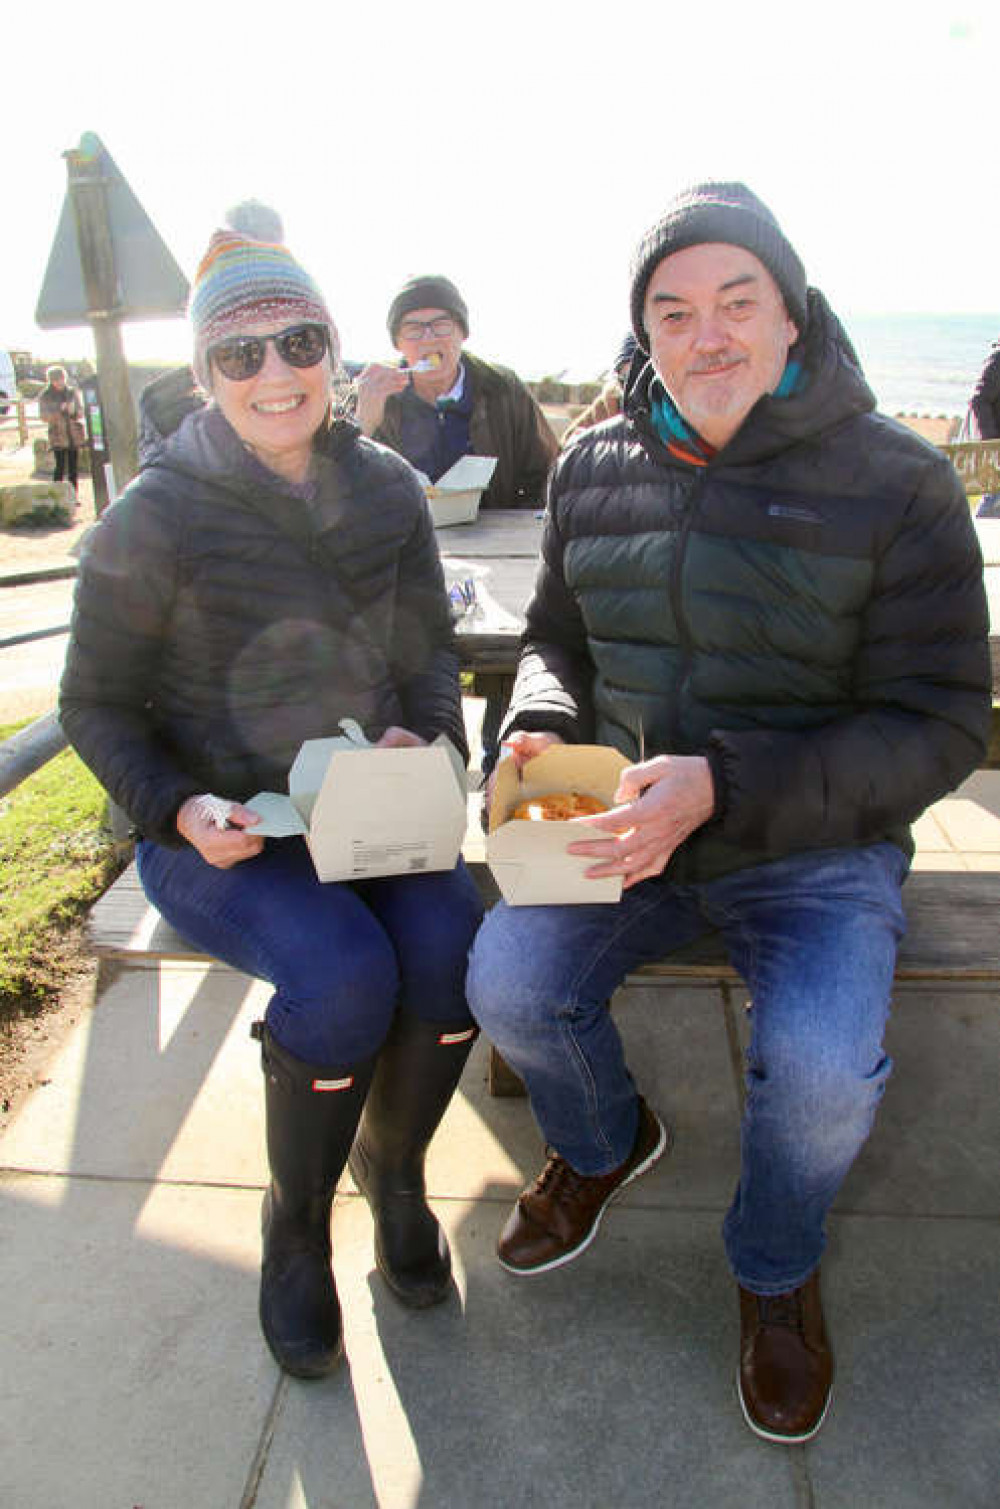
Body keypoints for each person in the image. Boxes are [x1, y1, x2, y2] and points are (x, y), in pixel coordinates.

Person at [466, 181, 990, 1444]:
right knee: (508, 984)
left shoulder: (899, 482)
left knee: (818, 1073)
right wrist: (535, 722)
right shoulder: (593, 466)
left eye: (737, 302)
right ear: (642, 333)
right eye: (673, 310)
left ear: (793, 316)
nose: (708, 336)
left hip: (811, 849)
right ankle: (603, 1141)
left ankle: (771, 1267)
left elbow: (941, 723)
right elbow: (554, 639)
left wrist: (729, 784)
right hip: (628, 827)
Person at [59, 203, 485, 1381]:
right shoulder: (154, 516)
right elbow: (93, 704)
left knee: (457, 947)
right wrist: (179, 809)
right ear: (205, 376)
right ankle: (292, 1227)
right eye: (239, 354)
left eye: (298, 342)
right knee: (345, 974)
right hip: (218, 829)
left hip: (362, 806)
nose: (275, 373)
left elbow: (427, 661)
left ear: (333, 354)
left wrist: (426, 732)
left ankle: (392, 1176)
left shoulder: (391, 489)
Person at [354, 273, 558, 509]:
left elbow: (548, 472)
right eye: (413, 328)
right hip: (403, 539)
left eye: (441, 325)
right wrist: (362, 424)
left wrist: (511, 525)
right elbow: (342, 491)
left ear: (462, 333)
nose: (428, 338)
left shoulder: (502, 388)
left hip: (494, 539)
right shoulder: (376, 395)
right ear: (398, 342)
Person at [559, 332, 640, 447]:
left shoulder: (669, 410)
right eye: (625, 380)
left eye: (641, 377)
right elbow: (567, 444)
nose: (633, 388)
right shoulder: (608, 404)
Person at [965, 337, 1000, 515]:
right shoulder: (998, 360)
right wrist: (992, 442)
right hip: (997, 450)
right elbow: (979, 401)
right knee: (993, 502)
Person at [38, 364, 84, 494]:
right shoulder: (46, 395)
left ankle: (73, 496)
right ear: (51, 381)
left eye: (61, 379)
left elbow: (80, 411)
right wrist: (59, 410)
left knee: (73, 469)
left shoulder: (71, 392)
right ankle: (56, 496)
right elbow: (43, 416)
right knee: (60, 467)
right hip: (58, 436)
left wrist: (75, 411)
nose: (59, 382)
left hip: (73, 434)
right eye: (56, 380)